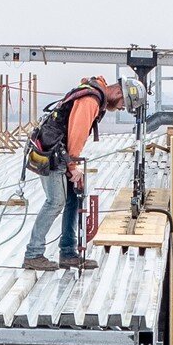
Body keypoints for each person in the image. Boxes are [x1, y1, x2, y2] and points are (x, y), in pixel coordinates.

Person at [23, 74, 144, 274]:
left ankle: (68, 253)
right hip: (53, 153)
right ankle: (33, 254)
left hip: (58, 151)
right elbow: (76, 133)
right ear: (118, 91)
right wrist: (72, 166)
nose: (121, 107)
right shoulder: (91, 100)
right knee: (55, 202)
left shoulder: (94, 92)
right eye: (124, 102)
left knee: (73, 199)